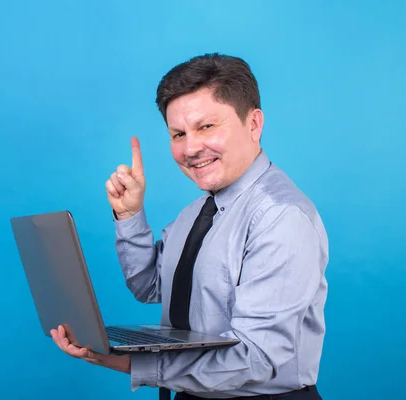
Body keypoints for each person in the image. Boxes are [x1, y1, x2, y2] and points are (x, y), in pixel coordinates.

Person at [51, 53, 328, 400]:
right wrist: (130, 214)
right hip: (189, 392)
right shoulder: (196, 212)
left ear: (254, 124)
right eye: (178, 134)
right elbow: (149, 286)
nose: (191, 148)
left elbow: (256, 358)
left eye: (206, 127)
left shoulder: (281, 218)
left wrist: (129, 363)